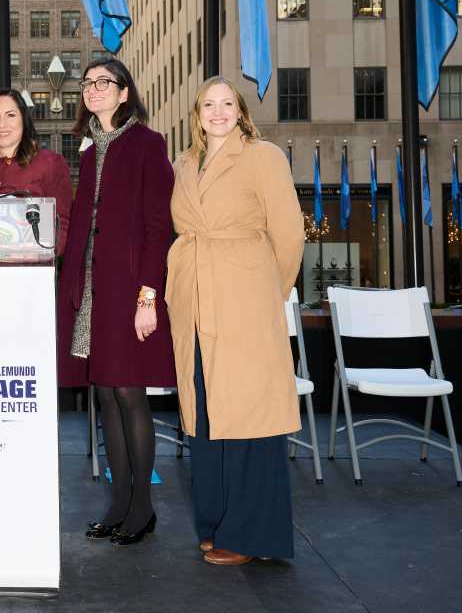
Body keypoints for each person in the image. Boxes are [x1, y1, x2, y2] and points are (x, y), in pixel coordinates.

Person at [165, 77, 305, 566]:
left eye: (227, 104)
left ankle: (249, 534)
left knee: (248, 415)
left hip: (244, 299)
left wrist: (267, 294)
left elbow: (289, 235)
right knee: (206, 412)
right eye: (209, 105)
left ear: (241, 111)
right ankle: (216, 522)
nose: (218, 112)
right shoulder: (183, 163)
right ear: (197, 113)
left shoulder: (263, 156)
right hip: (195, 302)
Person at [56, 58, 176, 547]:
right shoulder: (88, 153)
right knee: (104, 394)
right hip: (92, 291)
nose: (93, 89)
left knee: (130, 393)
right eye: (87, 83)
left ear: (125, 92)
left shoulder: (149, 144)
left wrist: (148, 295)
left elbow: (157, 227)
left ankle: (142, 508)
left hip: (130, 291)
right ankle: (118, 501)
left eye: (104, 82)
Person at [0, 89, 74, 255]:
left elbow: (64, 225)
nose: (2, 124)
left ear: (24, 119)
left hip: (30, 274)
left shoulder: (50, 163)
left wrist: (37, 253)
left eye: (11, 115)